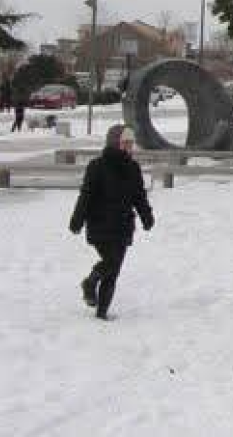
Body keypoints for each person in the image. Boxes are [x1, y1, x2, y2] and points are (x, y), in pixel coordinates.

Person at [68, 125, 154, 320]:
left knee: (113, 271)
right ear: (115, 143)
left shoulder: (133, 168)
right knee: (111, 262)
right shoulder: (97, 166)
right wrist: (77, 220)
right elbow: (86, 195)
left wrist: (146, 216)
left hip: (123, 226)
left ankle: (101, 312)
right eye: (125, 143)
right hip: (100, 224)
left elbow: (139, 196)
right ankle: (90, 283)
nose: (129, 147)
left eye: (131, 143)